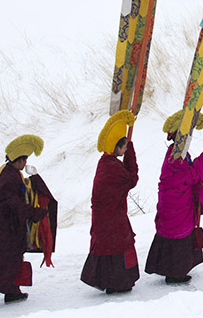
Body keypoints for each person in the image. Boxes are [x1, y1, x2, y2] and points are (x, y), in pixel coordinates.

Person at [0, 135, 53, 306]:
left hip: (9, 226)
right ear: (18, 160)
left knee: (13, 259)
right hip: (5, 227)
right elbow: (14, 203)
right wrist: (34, 213)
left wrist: (33, 178)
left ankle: (12, 291)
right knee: (1, 261)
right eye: (24, 160)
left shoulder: (10, 173)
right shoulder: (9, 177)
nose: (25, 163)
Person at [145, 113, 203, 286]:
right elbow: (187, 177)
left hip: (174, 204)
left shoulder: (177, 154)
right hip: (176, 204)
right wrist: (202, 163)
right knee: (178, 236)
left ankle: (170, 268)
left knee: (173, 236)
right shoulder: (175, 157)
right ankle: (175, 273)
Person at [81, 111, 140, 294]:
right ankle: (117, 283)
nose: (125, 150)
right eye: (124, 147)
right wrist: (131, 154)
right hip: (113, 217)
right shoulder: (114, 167)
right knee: (118, 245)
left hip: (105, 216)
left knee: (107, 245)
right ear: (118, 147)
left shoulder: (105, 162)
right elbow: (132, 179)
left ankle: (104, 279)